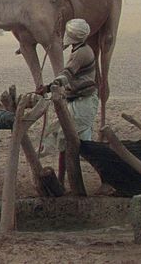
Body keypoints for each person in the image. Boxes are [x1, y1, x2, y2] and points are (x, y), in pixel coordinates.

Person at [36, 19, 98, 182]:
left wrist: (48, 87)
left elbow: (66, 75)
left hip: (82, 102)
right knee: (66, 140)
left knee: (76, 142)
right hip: (78, 100)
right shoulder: (81, 49)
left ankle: (66, 179)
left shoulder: (80, 53)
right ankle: (63, 179)